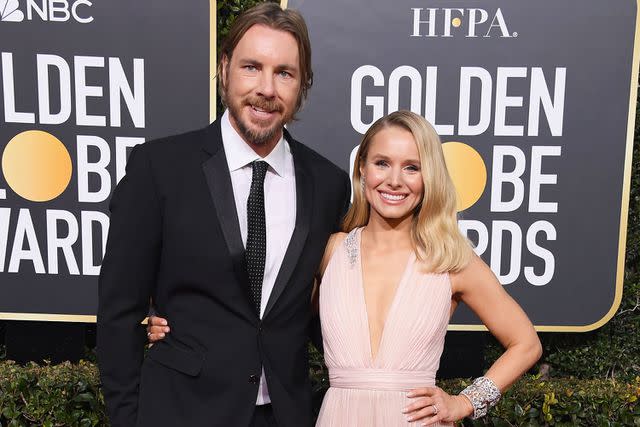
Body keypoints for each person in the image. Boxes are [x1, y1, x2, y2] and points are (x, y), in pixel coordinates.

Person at [149, 111, 542, 426]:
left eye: (411, 167)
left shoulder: (452, 261)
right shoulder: (330, 250)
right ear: (362, 171)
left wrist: (465, 402)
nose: (394, 180)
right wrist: (177, 320)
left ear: (430, 177)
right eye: (382, 163)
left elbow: (526, 343)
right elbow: (259, 312)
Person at [97, 3, 350, 427]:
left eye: (284, 73)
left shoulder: (329, 184)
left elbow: (327, 307)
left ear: (302, 84)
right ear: (224, 68)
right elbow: (119, 312)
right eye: (252, 67)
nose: (267, 88)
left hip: (286, 415)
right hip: (179, 411)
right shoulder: (160, 168)